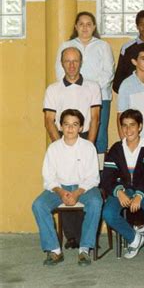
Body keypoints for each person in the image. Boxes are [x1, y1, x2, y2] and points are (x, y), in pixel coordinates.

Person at [44, 46, 102, 248]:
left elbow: (95, 118)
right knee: (64, 180)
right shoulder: (53, 89)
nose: (71, 65)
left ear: (81, 62)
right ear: (62, 64)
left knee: (86, 186)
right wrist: (60, 146)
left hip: (85, 137)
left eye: (75, 60)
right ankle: (72, 238)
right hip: (62, 137)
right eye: (67, 61)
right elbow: (49, 120)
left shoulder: (93, 86)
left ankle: (86, 238)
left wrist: (89, 146)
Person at [32, 109, 102, 266]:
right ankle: (54, 250)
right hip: (59, 187)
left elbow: (93, 178)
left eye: (75, 124)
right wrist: (61, 191)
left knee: (96, 202)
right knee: (38, 205)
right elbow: (49, 178)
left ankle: (84, 249)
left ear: (81, 128)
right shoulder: (53, 148)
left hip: (84, 187)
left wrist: (77, 193)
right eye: (66, 124)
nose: (70, 128)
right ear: (60, 126)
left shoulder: (88, 147)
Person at [102, 109, 144, 259]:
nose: (128, 130)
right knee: (108, 213)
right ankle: (135, 239)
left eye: (132, 125)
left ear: (140, 126)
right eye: (125, 126)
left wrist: (140, 195)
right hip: (123, 189)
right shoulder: (116, 149)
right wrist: (118, 191)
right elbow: (107, 177)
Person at [55, 11, 115, 160]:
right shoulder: (67, 45)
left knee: (99, 136)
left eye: (89, 24)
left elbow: (108, 72)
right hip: (72, 95)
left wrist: (89, 89)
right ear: (76, 26)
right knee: (74, 132)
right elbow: (59, 71)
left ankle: (98, 174)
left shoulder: (103, 45)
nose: (85, 28)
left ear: (94, 27)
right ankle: (74, 168)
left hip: (101, 96)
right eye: (81, 24)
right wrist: (79, 89)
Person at [117, 43, 144, 144]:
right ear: (134, 61)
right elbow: (120, 115)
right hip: (133, 139)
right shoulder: (126, 85)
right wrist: (124, 143)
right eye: (143, 59)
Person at [113, 10, 144, 93]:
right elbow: (118, 81)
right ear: (137, 26)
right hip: (131, 95)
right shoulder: (127, 48)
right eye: (142, 24)